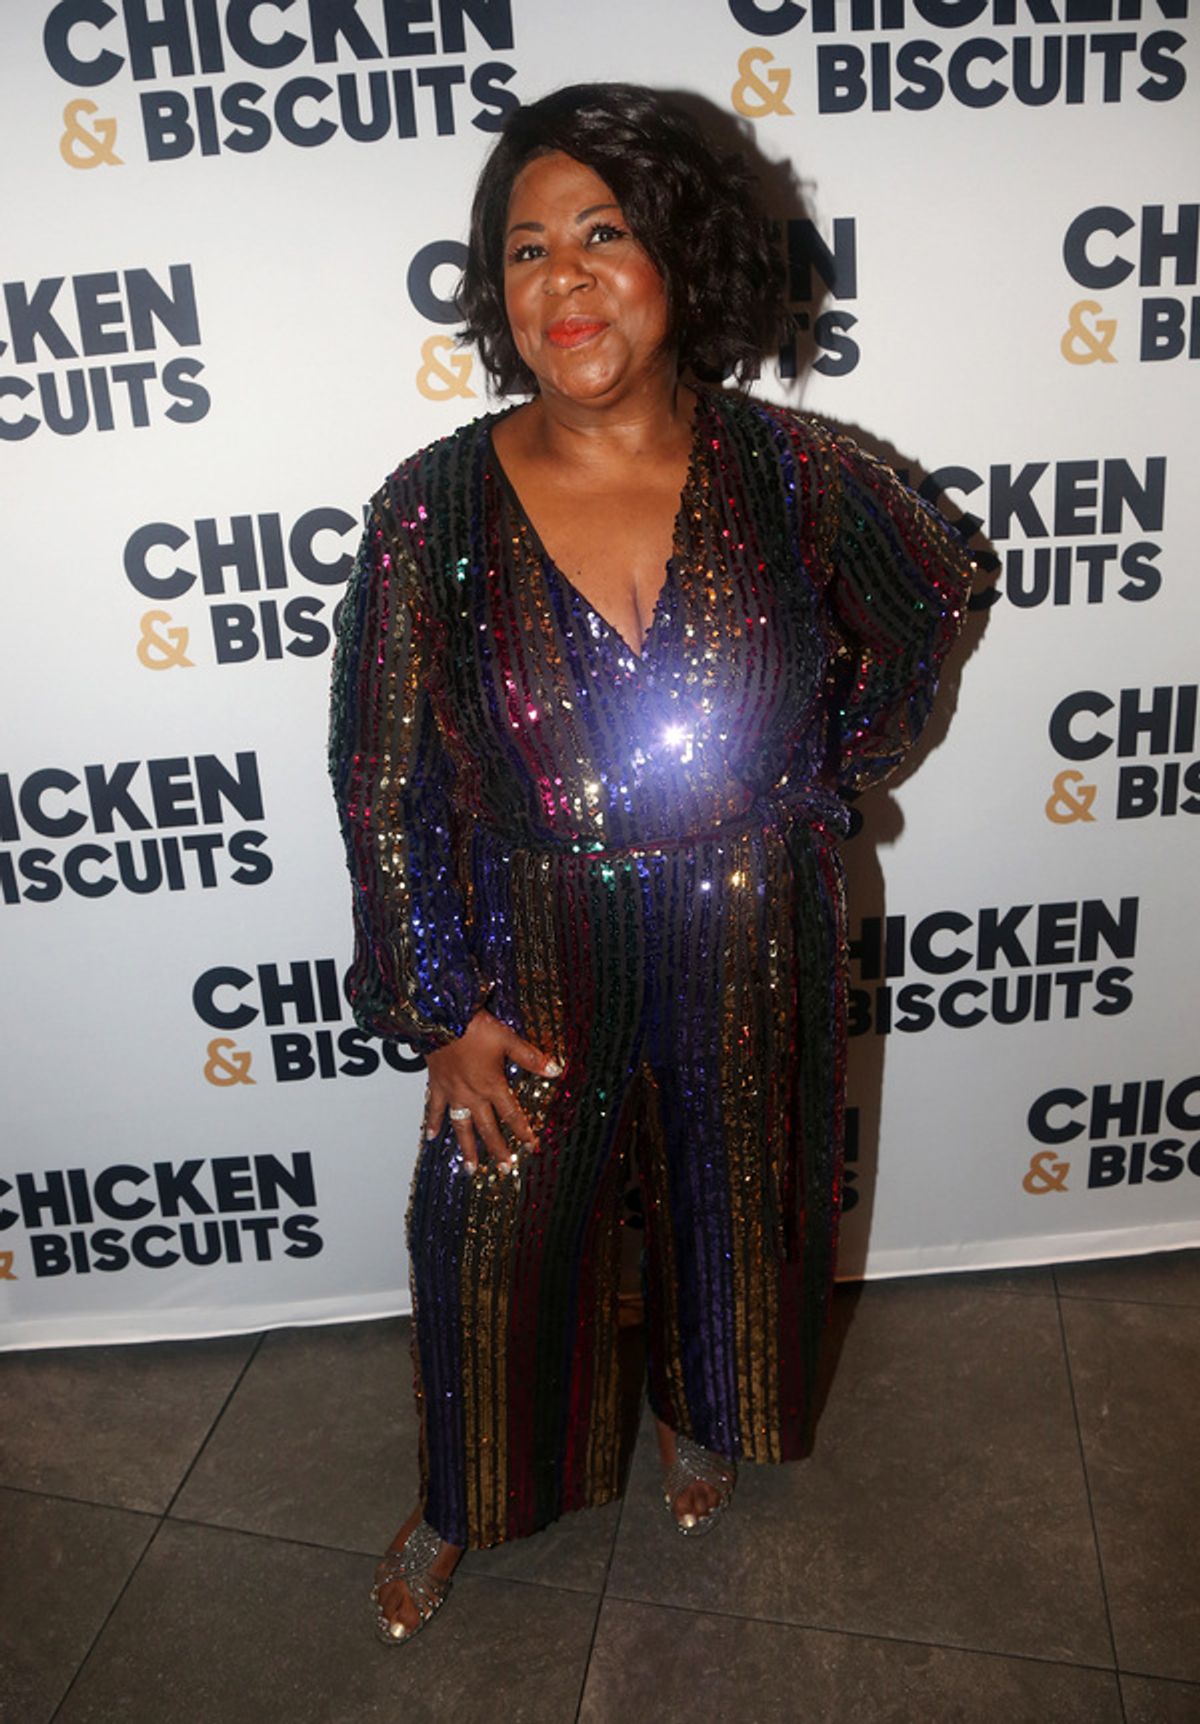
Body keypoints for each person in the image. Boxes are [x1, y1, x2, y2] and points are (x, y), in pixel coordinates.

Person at [329, 82, 974, 1645]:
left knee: (738, 1208)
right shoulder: (432, 509)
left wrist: (836, 768)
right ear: (497, 291)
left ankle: (700, 1409)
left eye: (602, 234)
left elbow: (939, 590)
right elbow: (384, 770)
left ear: (677, 255)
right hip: (525, 939)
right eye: (527, 247)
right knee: (493, 1242)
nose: (563, 279)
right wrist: (436, 1007)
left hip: (756, 917)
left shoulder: (801, 473)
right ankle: (466, 1493)